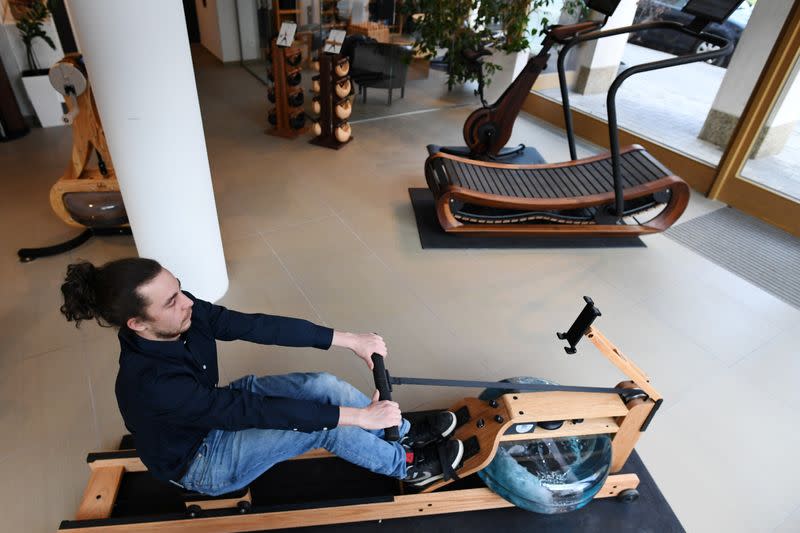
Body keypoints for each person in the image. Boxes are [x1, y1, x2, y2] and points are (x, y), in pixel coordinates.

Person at [59, 257, 463, 495]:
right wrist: (357, 417)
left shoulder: (185, 313)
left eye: (180, 290)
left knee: (319, 386)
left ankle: (401, 429)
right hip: (201, 461)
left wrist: (349, 339)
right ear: (137, 323)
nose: (188, 303)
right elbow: (242, 409)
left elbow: (256, 326)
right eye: (172, 301)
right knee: (322, 427)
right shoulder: (149, 383)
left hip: (211, 412)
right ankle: (404, 463)